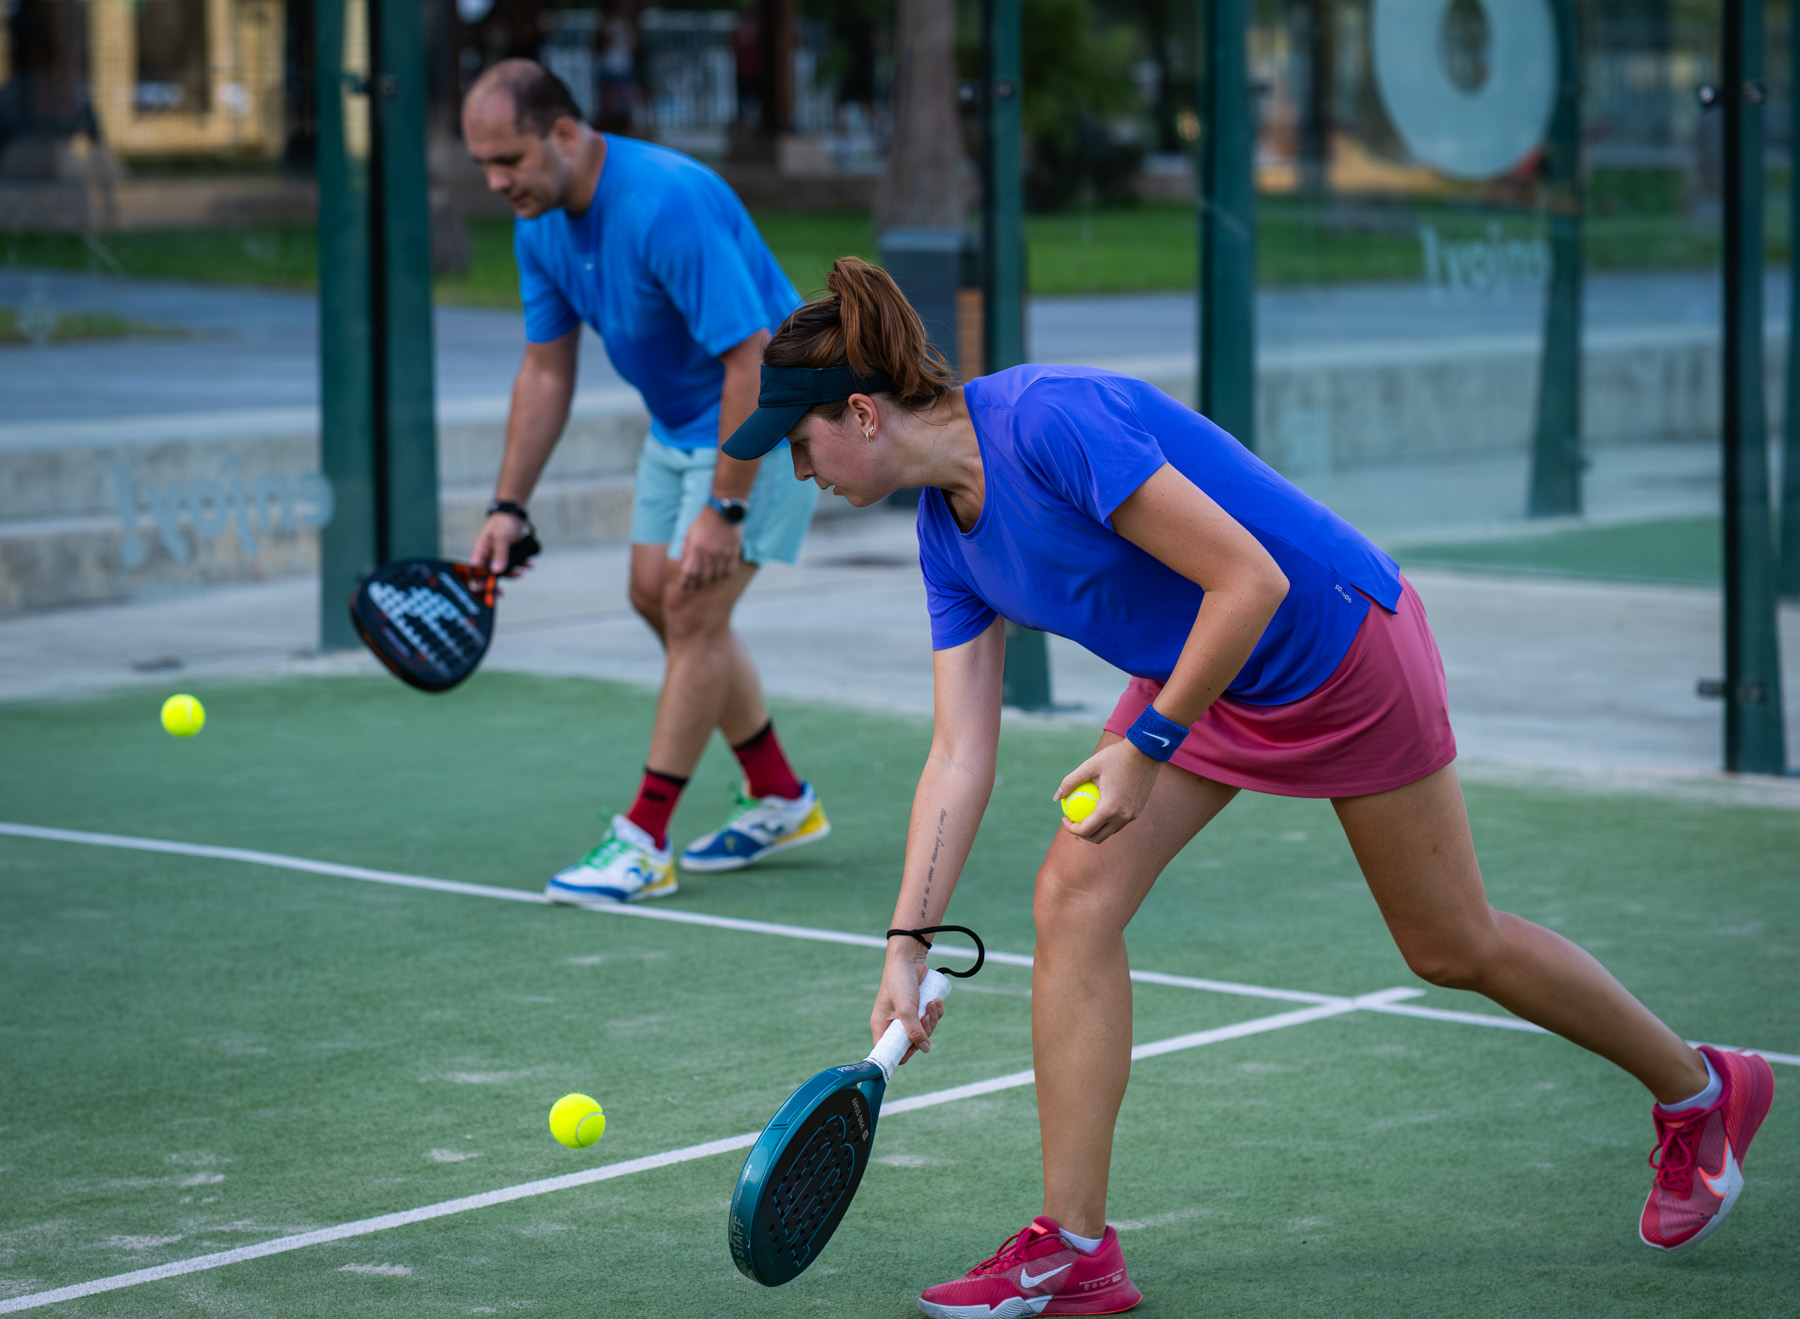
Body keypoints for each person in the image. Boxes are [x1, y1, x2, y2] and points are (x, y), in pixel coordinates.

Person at [722, 258, 1777, 1316]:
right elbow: (959, 751)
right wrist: (908, 939)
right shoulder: (943, 537)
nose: (795, 471)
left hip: (1336, 646)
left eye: (798, 444)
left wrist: (1151, 737)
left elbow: (1253, 577)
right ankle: (1074, 1244)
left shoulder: (1051, 422)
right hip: (1202, 674)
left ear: (859, 411)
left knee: (1451, 943)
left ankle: (1700, 1086)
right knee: (1074, 897)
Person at [461, 60, 829, 903]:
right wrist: (506, 506)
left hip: (773, 415)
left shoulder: (665, 202)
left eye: (508, 159)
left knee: (693, 605)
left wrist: (724, 507)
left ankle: (643, 837)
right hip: (678, 429)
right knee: (653, 597)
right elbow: (546, 374)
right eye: (484, 163)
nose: (495, 181)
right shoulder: (539, 226)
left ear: (563, 133)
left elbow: (755, 357)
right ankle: (779, 794)